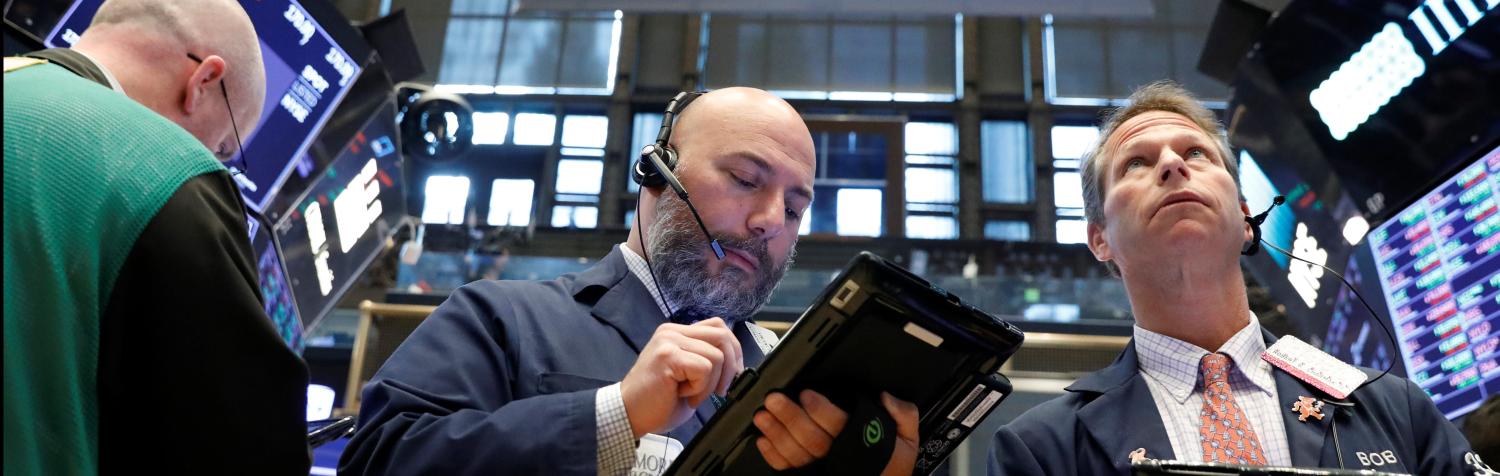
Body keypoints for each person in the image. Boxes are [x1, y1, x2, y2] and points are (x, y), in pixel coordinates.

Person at [339, 88, 920, 475]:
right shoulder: (501, 315)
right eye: (746, 179)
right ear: (656, 174)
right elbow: (376, 460)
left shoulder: (792, 376)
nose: (771, 220)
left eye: (795, 210)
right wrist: (617, 415)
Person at [986, 81, 1483, 475]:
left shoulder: (1394, 406)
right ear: (1100, 240)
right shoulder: (1042, 448)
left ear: (1246, 218)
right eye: (1135, 162)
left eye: (1196, 153)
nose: (1172, 165)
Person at [3, 0, 309, 474]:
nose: (217, 159)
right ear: (204, 81)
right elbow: (242, 447)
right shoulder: (165, 170)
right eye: (226, 148)